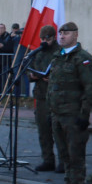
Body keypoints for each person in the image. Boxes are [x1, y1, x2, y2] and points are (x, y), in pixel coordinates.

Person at [47, 22, 92, 184]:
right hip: (57, 114)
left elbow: (90, 88)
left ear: (75, 35)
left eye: (66, 33)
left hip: (73, 115)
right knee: (64, 154)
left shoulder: (83, 59)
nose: (61, 36)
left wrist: (84, 115)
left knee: (75, 154)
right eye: (60, 33)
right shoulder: (58, 57)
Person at [28, 25, 64, 172]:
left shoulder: (60, 52)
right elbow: (29, 68)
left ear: (53, 37)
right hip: (42, 95)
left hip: (57, 96)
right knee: (43, 130)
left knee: (59, 131)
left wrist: (54, 78)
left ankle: (63, 161)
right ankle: (47, 159)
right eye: (42, 38)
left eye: (47, 38)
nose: (44, 41)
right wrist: (32, 76)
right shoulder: (38, 52)